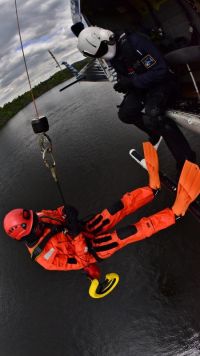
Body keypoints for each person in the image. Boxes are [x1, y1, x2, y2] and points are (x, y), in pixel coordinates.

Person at [3, 143, 200, 298]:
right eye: (36, 226)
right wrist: (76, 235)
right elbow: (83, 260)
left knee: (116, 208)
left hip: (81, 228)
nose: (39, 222)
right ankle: (174, 213)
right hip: (91, 248)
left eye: (36, 219)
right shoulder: (46, 259)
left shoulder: (38, 217)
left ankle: (151, 190)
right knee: (130, 232)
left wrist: (67, 212)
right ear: (26, 235)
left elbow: (56, 213)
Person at [76, 26, 196, 173]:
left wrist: (132, 82)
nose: (104, 55)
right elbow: (126, 74)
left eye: (102, 51)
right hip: (142, 86)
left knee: (154, 116)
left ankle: (186, 160)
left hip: (163, 83)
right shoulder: (113, 57)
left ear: (106, 39)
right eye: (99, 54)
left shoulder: (136, 42)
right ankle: (155, 133)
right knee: (126, 114)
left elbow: (161, 70)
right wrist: (124, 83)